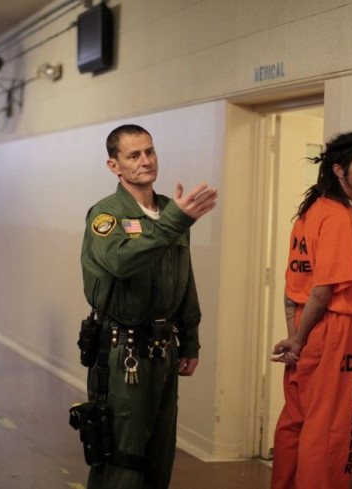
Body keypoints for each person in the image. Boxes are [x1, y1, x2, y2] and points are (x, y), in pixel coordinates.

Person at [80, 124, 217, 489]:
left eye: (150, 152)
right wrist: (174, 223)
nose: (146, 161)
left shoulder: (171, 212)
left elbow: (185, 282)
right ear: (114, 166)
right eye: (134, 155)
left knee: (159, 452)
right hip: (121, 351)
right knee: (122, 455)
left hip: (163, 350)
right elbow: (123, 262)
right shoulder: (105, 215)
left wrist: (189, 340)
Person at [270, 132, 352, 489]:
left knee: (296, 421)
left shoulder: (308, 212)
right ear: (339, 169)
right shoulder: (337, 217)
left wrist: (295, 334)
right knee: (330, 428)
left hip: (305, 325)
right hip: (331, 328)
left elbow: (292, 290)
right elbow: (322, 291)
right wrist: (299, 340)